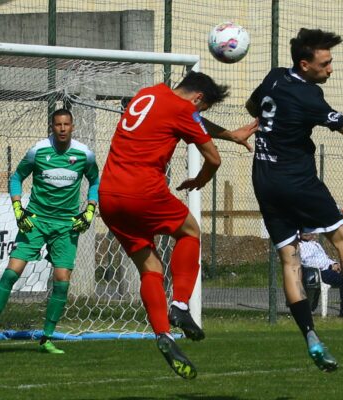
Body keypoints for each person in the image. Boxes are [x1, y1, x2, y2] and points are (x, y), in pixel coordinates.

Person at [246, 28, 343, 372]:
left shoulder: (274, 77)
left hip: (264, 181)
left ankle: (311, 337)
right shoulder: (310, 97)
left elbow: (254, 106)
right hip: (298, 181)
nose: (330, 69)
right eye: (325, 64)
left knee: (290, 259)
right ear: (305, 64)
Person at [98, 71, 257, 379]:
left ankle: (163, 335)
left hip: (110, 197)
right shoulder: (184, 110)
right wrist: (201, 178)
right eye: (202, 109)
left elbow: (190, 121)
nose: (199, 114)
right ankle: (181, 304)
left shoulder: (150, 94)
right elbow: (213, 159)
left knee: (151, 267)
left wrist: (231, 134)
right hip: (142, 191)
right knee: (190, 230)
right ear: (198, 99)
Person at [0, 108, 99, 354]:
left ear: (72, 127)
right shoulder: (38, 151)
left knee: (62, 280)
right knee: (12, 273)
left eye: (66, 124)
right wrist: (18, 209)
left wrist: (90, 210)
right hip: (36, 221)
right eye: (58, 125)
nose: (62, 128)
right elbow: (16, 178)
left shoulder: (85, 155)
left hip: (66, 225)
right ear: (52, 127)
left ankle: (47, 338)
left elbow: (94, 181)